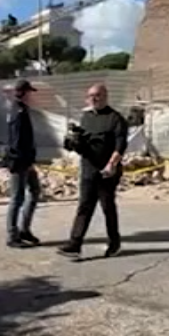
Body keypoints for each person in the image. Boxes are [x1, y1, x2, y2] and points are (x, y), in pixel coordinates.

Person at [59, 83, 128, 259]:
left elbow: (120, 146)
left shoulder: (115, 118)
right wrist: (73, 143)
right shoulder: (86, 117)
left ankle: (114, 242)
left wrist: (111, 165)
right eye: (90, 96)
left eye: (97, 95)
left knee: (107, 207)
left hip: (107, 171)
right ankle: (75, 243)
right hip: (88, 169)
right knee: (84, 206)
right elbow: (83, 142)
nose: (94, 99)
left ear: (105, 96)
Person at [2, 79, 41, 248]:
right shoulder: (18, 111)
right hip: (20, 161)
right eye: (30, 92)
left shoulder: (20, 109)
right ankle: (12, 235)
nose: (32, 96)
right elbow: (17, 142)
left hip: (25, 160)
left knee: (34, 191)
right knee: (17, 198)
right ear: (23, 93)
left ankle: (25, 229)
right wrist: (25, 162)